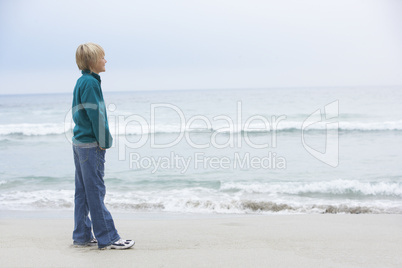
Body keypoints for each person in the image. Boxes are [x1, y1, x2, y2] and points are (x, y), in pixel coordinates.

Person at [71, 42, 134, 250]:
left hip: (80, 143)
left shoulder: (83, 81)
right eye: (102, 57)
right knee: (95, 190)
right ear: (92, 61)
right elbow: (95, 114)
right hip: (90, 145)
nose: (105, 60)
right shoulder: (90, 83)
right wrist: (105, 141)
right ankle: (108, 236)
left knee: (83, 191)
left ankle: (81, 235)